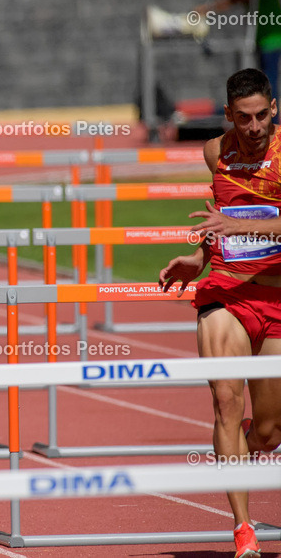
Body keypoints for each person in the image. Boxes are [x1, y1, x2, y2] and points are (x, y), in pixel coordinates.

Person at [159, 68, 281, 558]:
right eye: (244, 118)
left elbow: (237, 216)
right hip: (225, 294)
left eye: (263, 116)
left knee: (270, 431)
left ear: (274, 108)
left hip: (276, 299)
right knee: (226, 402)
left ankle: (242, 453)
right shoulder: (214, 152)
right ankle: (243, 530)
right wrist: (199, 256)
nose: (254, 128)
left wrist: (236, 223)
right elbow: (221, 213)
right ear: (229, 115)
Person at [195, 0, 281, 110]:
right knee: (264, 80)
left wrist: (207, 8)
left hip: (271, 39)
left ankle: (271, 119)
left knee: (268, 81)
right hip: (263, 39)